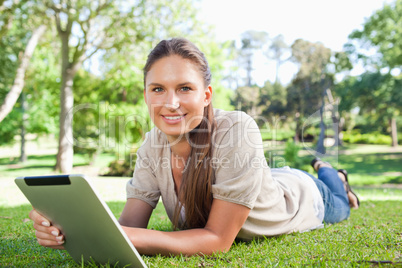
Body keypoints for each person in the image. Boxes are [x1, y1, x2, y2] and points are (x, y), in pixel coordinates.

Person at [29, 38, 360, 256]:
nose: (170, 103)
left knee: (339, 199)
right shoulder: (151, 145)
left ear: (206, 95)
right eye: (157, 89)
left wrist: (124, 236)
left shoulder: (238, 129)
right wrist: (66, 228)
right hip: (262, 180)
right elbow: (131, 226)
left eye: (184, 88)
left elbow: (217, 240)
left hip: (306, 198)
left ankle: (332, 173)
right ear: (146, 94)